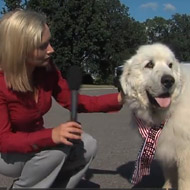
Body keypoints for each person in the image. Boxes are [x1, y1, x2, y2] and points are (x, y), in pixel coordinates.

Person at [0, 10, 123, 189]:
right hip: (7, 154)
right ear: (21, 49)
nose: (51, 49)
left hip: (36, 145)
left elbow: (75, 101)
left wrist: (121, 98)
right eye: (43, 46)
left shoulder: (47, 71)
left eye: (49, 42)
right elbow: (4, 140)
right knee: (56, 153)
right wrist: (51, 135)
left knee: (87, 144)